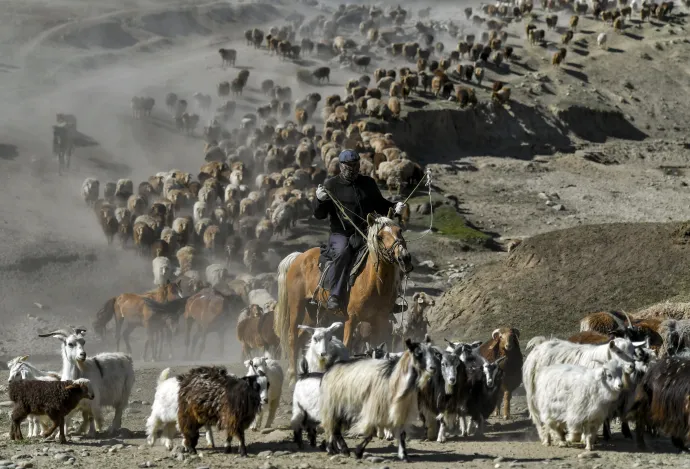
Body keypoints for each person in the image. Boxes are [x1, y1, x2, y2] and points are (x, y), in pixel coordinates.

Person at [313, 149, 407, 311]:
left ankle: (391, 297)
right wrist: (319, 201)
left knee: (390, 252)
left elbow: (381, 204)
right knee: (342, 253)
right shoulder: (331, 185)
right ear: (341, 166)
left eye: (356, 164)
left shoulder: (368, 183)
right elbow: (319, 215)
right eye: (349, 165)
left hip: (366, 233)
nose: (353, 168)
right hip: (341, 234)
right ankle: (335, 295)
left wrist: (394, 207)